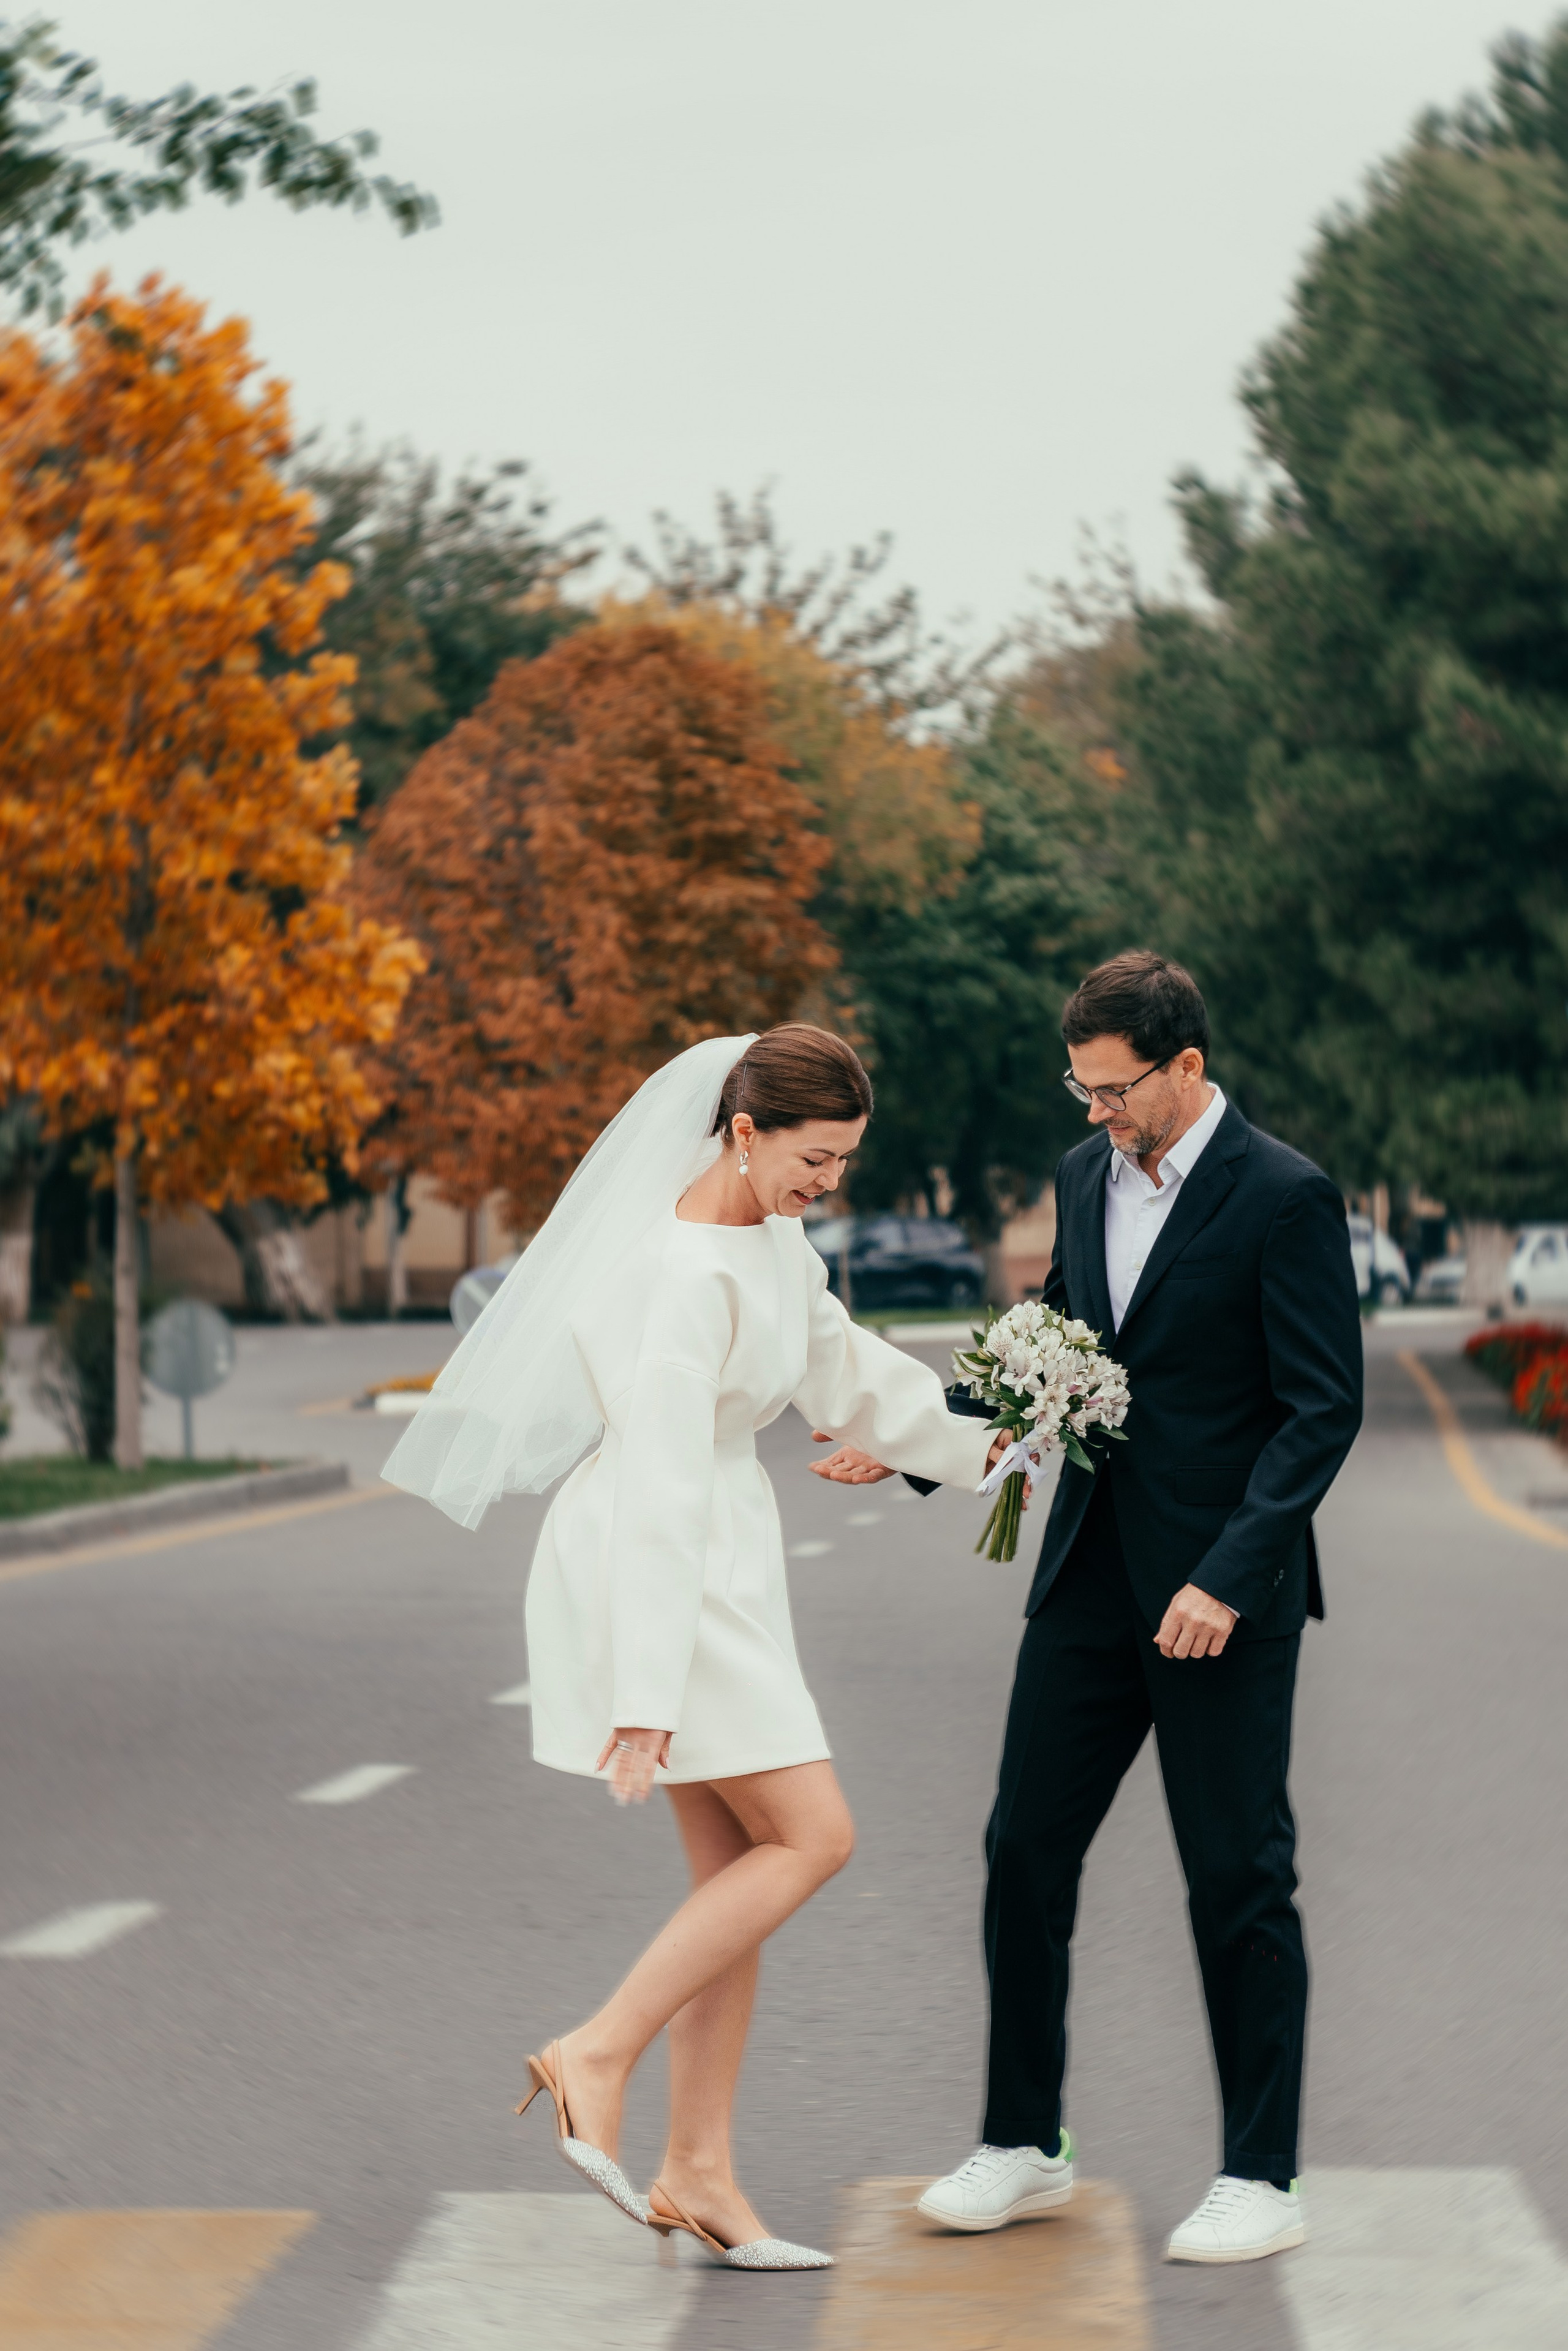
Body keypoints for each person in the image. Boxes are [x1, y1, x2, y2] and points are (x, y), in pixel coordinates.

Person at [383, 1024, 1001, 2270]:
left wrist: (1003, 1448)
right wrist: (643, 1692)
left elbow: (851, 1375)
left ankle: (698, 2168)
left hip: (721, 1552)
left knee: (738, 1878)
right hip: (656, 1563)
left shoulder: (774, 1245)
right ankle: (593, 2052)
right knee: (816, 1835)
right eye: (812, 1156)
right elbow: (660, 1488)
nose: (825, 1182)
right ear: (741, 1132)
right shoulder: (674, 1274)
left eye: (841, 1162)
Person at [813, 953, 1363, 2264]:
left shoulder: (1283, 1195)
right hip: (1086, 1575)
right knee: (1021, 1848)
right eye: (1081, 1085)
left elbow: (1317, 1409)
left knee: (1235, 1874)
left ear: (1185, 1066)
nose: (1095, 1112)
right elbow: (1052, 1345)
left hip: (1216, 1595)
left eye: (1115, 1087)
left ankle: (1260, 2171)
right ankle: (1022, 2140)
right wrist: (916, 1442)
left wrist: (1225, 1576)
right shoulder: (1081, 1179)